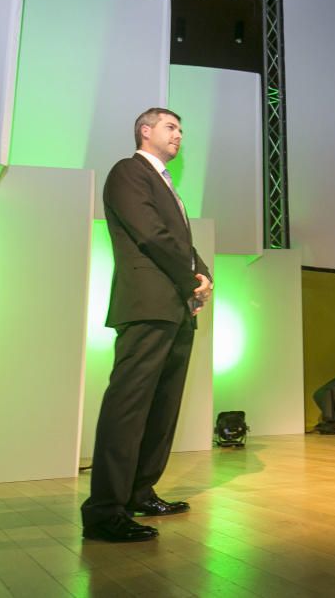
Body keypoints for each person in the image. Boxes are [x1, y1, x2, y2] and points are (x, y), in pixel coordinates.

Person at [81, 108, 213, 542]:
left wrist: (202, 272)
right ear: (145, 130)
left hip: (174, 306)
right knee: (129, 406)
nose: (179, 135)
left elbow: (180, 242)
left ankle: (140, 491)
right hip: (147, 304)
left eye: (181, 129)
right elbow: (152, 235)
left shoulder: (165, 183)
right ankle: (104, 510)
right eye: (172, 127)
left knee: (162, 405)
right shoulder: (128, 172)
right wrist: (191, 275)